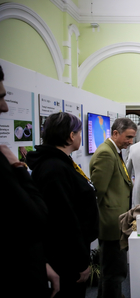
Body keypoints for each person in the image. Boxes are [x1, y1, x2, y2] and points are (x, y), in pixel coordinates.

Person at [1, 65, 60, 298]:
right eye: (1, 97)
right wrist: (17, 167)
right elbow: (36, 215)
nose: (5, 106)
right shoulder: (52, 167)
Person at [27, 112, 99, 298]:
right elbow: (65, 220)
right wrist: (81, 262)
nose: (80, 137)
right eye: (79, 132)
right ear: (71, 136)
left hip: (68, 253)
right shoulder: (54, 168)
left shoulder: (60, 163)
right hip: (65, 259)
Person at [89, 118, 137, 298]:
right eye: (129, 137)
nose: (131, 141)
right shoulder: (106, 154)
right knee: (114, 271)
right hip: (110, 224)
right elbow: (98, 192)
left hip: (116, 222)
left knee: (112, 269)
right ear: (115, 133)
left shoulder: (114, 151)